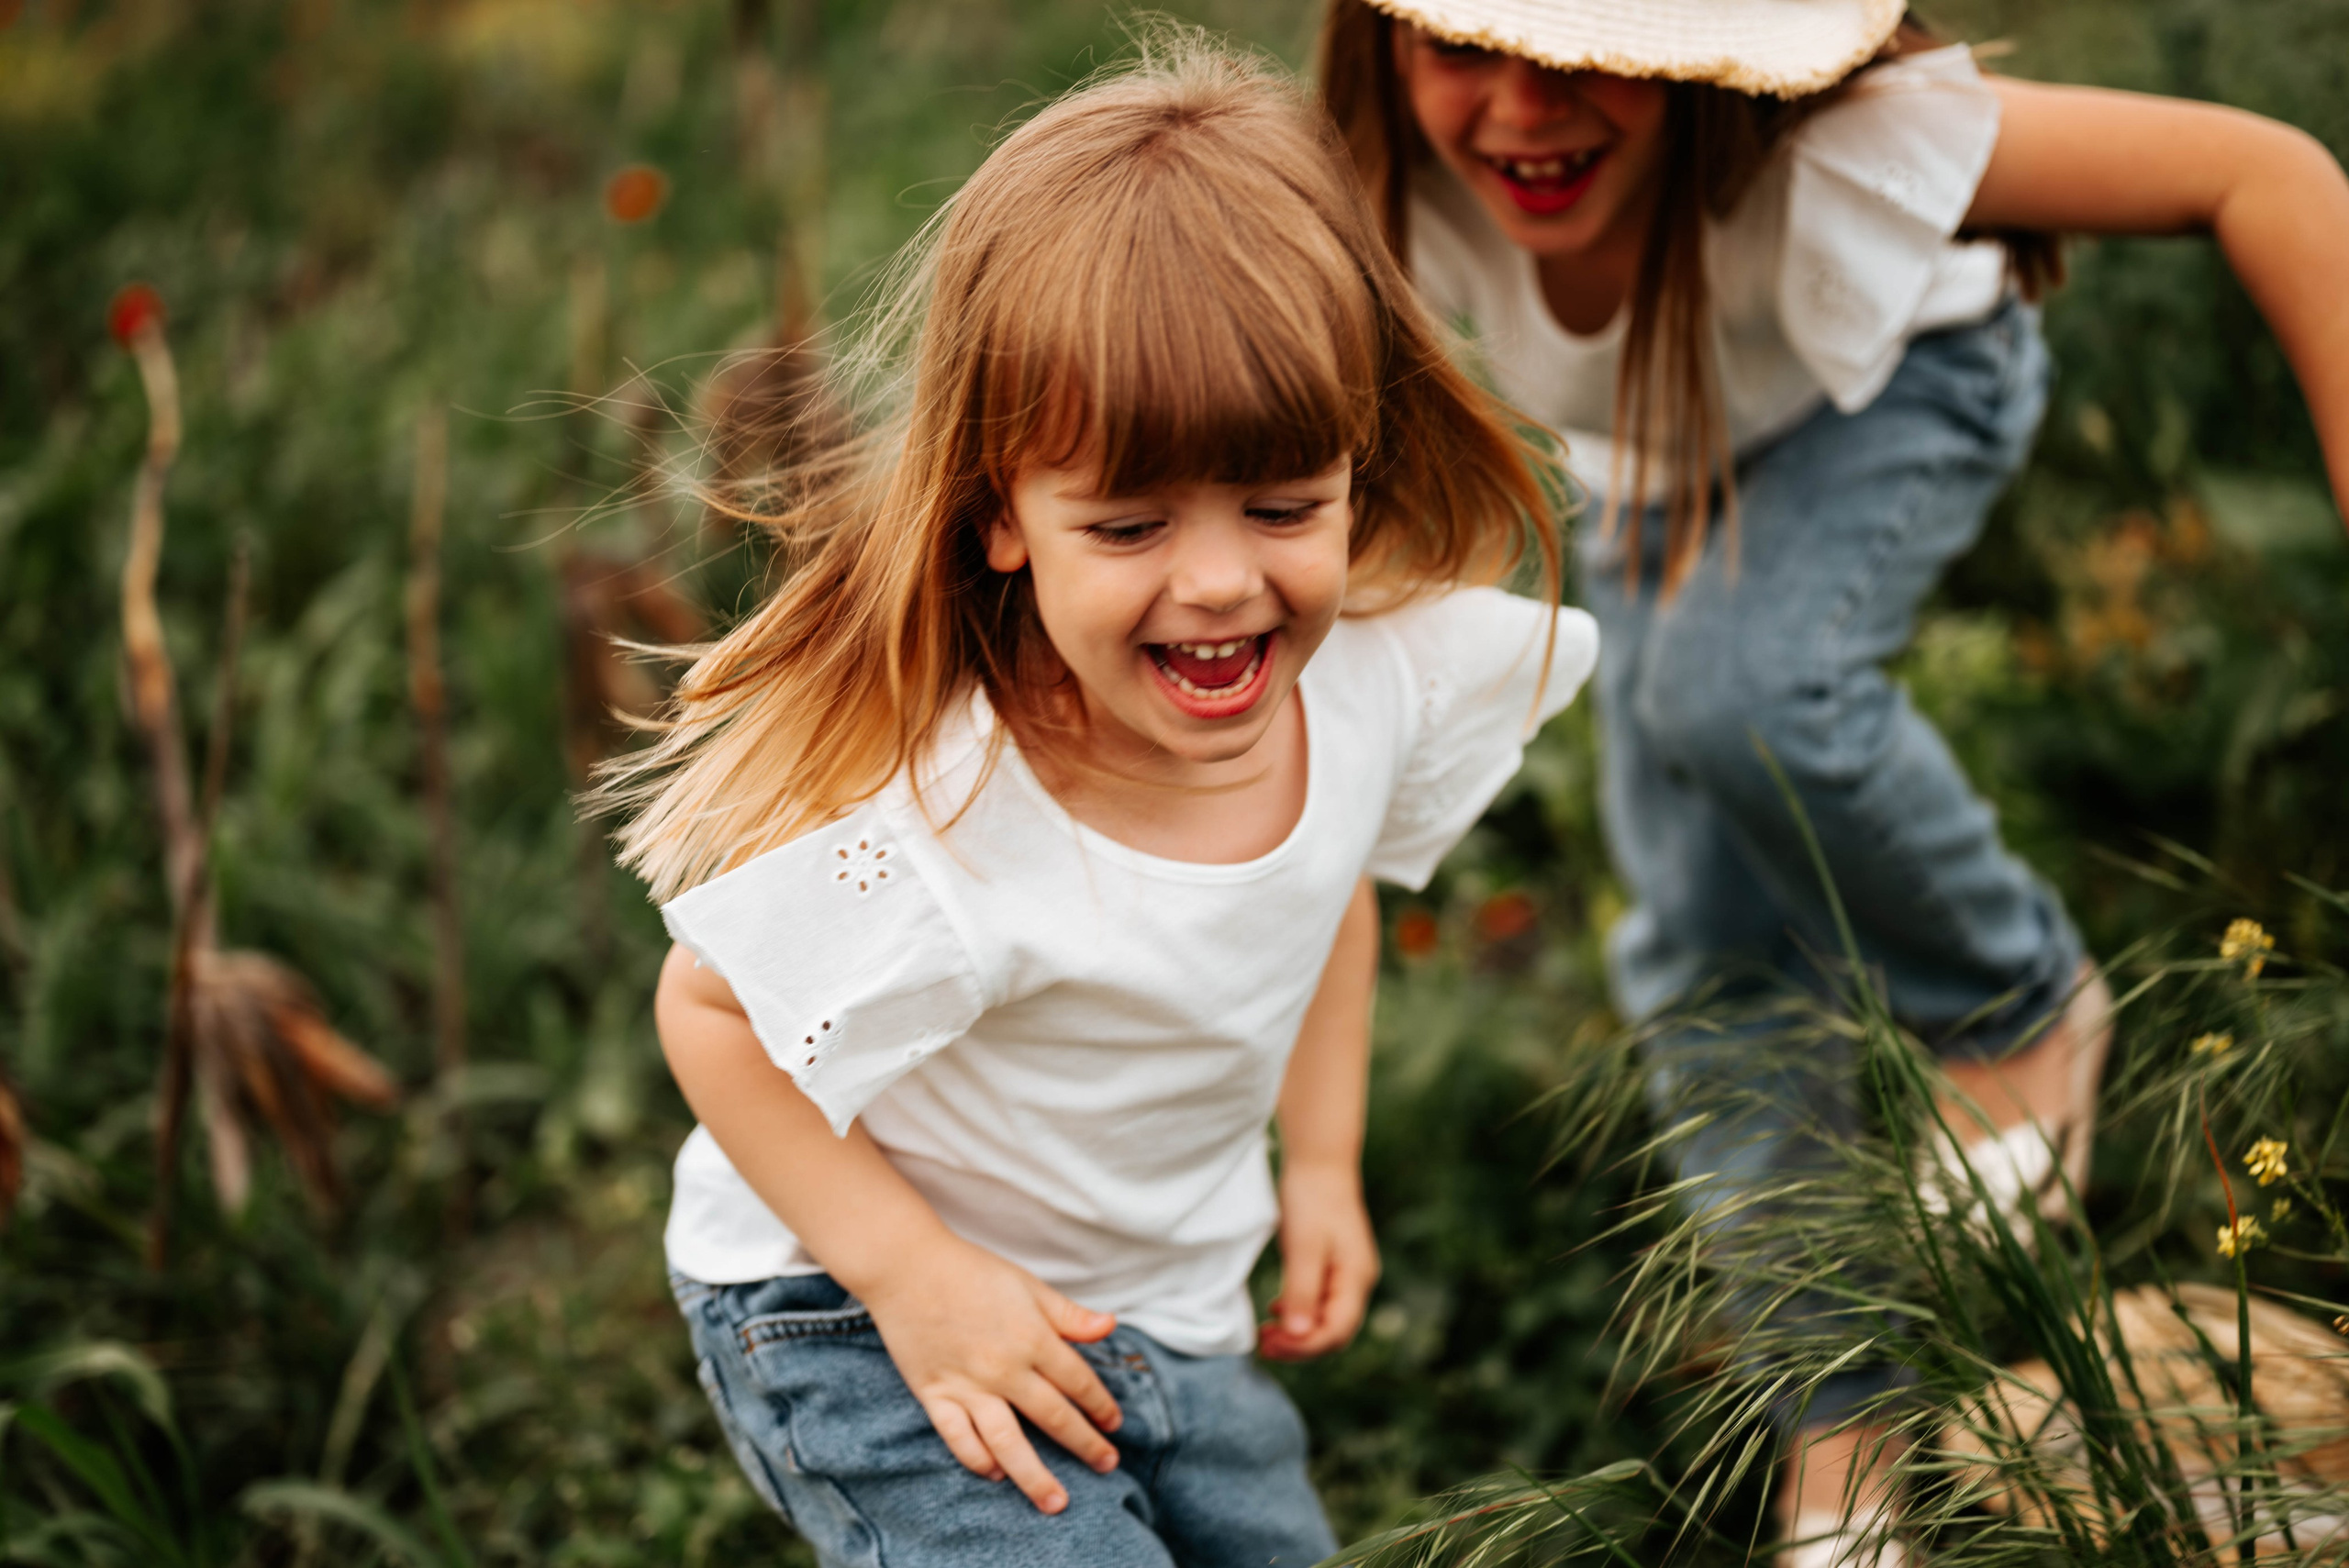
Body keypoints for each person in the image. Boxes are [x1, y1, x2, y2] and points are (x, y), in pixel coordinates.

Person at [1317, 1, 2349, 1562]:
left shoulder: (1840, 138)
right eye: (1466, 45)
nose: (1524, 109)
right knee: (1705, 972)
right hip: (1661, 467)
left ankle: (2013, 1000)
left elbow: (2264, 170)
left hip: (1899, 392)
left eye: (1581, 52)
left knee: (1740, 687)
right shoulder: (1365, 174)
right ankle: (1845, 1465)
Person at [596, 40, 1599, 1568]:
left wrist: (1318, 1163)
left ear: (1354, 462)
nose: (1218, 581)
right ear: (1002, 513)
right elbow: (715, 1017)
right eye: (1128, 523)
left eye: (1282, 506)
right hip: (848, 1300)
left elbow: (1324, 895)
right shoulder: (955, 795)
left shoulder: (1372, 686)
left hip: (1169, 1308)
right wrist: (915, 1276)